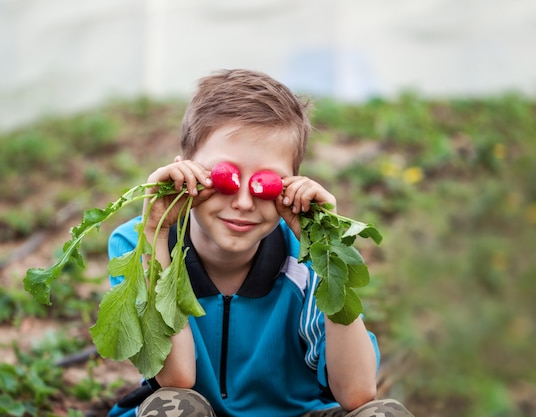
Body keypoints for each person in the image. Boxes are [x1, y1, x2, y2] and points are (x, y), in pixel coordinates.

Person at [106, 69, 413, 417]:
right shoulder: (138, 242)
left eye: (265, 185)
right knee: (174, 408)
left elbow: (358, 393)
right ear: (184, 171)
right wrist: (156, 236)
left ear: (292, 185)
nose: (243, 203)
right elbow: (175, 377)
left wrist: (326, 252)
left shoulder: (307, 258)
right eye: (224, 178)